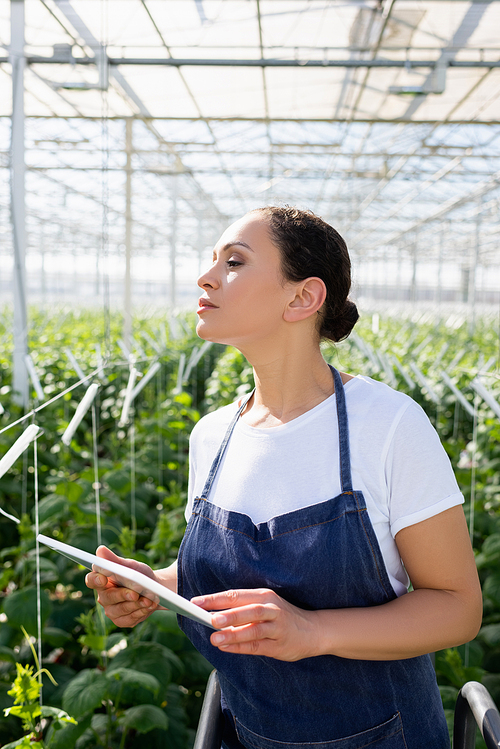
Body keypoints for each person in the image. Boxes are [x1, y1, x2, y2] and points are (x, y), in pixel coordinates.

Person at [86, 206, 482, 749]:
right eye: (212, 261)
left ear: (303, 298)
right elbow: (238, 568)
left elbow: (457, 608)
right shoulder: (214, 435)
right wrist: (158, 584)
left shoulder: (387, 425)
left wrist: (313, 632)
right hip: (248, 734)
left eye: (234, 261)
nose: (205, 277)